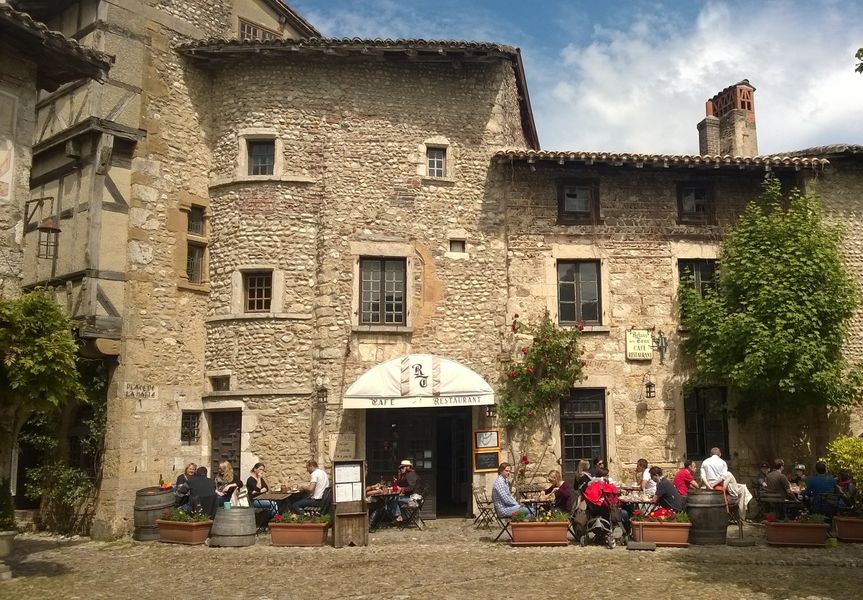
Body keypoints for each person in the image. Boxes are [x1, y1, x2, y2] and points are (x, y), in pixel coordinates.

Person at [700, 447, 753, 518]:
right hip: (719, 488)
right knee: (729, 477)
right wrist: (713, 485)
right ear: (720, 454)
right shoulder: (723, 462)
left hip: (708, 487)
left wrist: (709, 486)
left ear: (710, 454)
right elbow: (723, 477)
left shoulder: (705, 462)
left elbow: (703, 477)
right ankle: (735, 501)